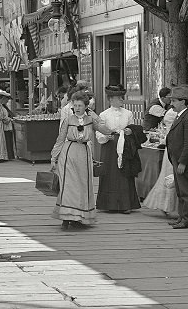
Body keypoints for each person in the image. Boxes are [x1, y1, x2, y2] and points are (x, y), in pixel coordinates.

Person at [51, 92, 99, 230]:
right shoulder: (68, 120)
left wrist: (119, 131)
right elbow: (60, 139)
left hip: (84, 154)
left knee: (83, 186)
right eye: (75, 105)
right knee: (69, 186)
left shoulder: (90, 120)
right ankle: (66, 218)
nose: (77, 108)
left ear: (86, 107)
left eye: (80, 105)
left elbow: (102, 127)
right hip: (69, 153)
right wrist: (54, 157)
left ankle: (78, 217)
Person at [94, 85, 142, 213]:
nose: (121, 100)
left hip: (124, 146)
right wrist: (105, 136)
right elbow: (98, 132)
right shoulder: (103, 115)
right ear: (111, 100)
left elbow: (133, 128)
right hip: (109, 147)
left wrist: (129, 131)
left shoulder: (128, 113)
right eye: (118, 98)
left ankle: (126, 204)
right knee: (109, 173)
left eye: (122, 97)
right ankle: (108, 204)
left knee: (124, 173)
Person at [165, 84, 188, 230]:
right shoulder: (182, 116)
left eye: (174, 101)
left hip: (182, 160)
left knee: (186, 191)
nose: (171, 104)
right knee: (180, 190)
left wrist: (183, 162)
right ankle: (182, 217)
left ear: (183, 101)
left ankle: (187, 219)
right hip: (176, 158)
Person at [142, 103, 180, 219]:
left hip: (171, 145)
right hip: (174, 146)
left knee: (168, 175)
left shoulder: (171, 113)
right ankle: (171, 207)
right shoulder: (174, 114)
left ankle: (168, 206)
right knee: (171, 175)